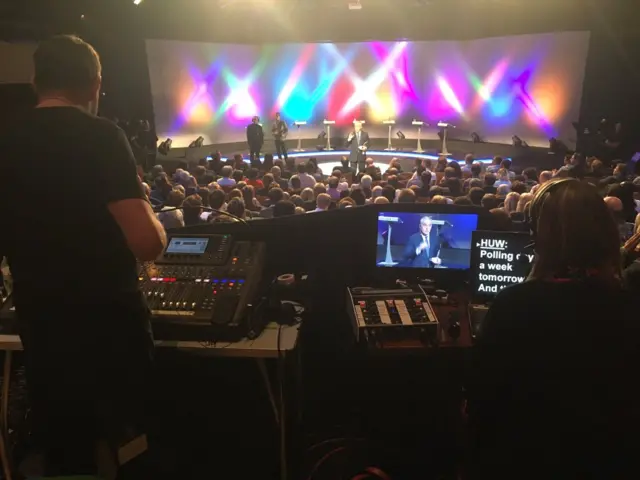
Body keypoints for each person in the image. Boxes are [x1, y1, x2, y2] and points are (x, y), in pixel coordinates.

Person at [0, 35, 166, 476]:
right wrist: (145, 206)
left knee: (68, 446)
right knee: (128, 441)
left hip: (41, 324)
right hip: (109, 323)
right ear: (95, 84)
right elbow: (147, 243)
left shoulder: (7, 138)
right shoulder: (101, 137)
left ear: (36, 82)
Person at [467, 178, 640, 479]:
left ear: (538, 237)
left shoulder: (514, 305)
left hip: (521, 460)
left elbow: (481, 398)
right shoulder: (629, 305)